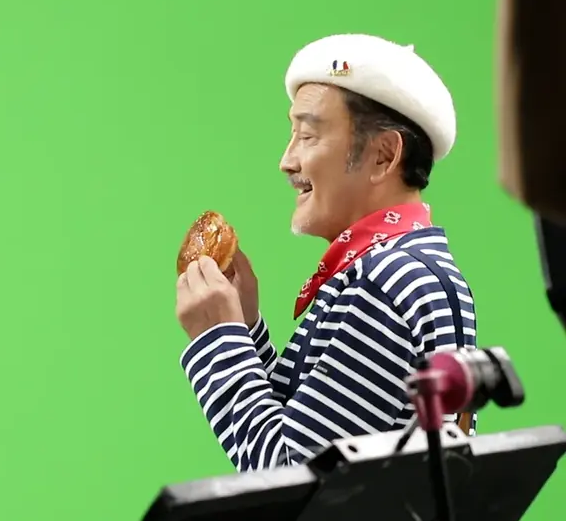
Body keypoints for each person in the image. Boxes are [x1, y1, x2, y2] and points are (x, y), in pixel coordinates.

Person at [174, 34, 477, 473]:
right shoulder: (412, 268)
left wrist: (218, 339)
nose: (287, 160)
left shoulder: (384, 282)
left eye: (308, 135)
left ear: (383, 155)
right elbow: (307, 431)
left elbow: (289, 475)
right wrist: (245, 330)